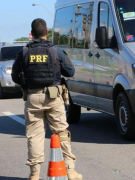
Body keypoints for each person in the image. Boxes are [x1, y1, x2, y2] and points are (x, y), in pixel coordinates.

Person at [11, 18, 82, 180]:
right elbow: (70, 71)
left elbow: (15, 76)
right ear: (47, 32)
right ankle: (70, 171)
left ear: (31, 34)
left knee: (34, 136)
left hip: (33, 96)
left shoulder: (24, 52)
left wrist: (28, 84)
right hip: (53, 95)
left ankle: (34, 174)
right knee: (61, 132)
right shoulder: (56, 51)